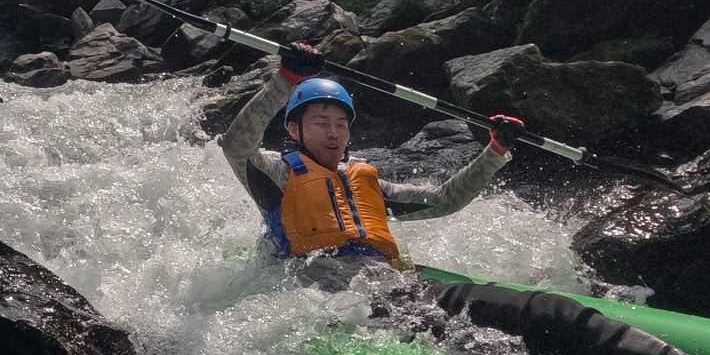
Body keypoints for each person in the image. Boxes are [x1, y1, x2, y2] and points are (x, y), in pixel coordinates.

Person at [220, 43, 524, 272]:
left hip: (381, 279)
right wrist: (285, 80)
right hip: (320, 285)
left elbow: (445, 199)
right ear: (294, 130)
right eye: (321, 123)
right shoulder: (278, 175)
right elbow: (236, 145)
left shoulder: (369, 185)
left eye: (341, 125)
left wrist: (495, 150)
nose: (334, 133)